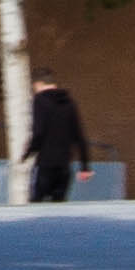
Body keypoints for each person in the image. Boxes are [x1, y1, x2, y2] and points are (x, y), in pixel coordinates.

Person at [24, 68, 92, 205]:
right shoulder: (69, 102)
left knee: (36, 208)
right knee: (59, 211)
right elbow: (79, 136)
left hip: (45, 165)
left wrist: (28, 153)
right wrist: (85, 166)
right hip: (64, 167)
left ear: (38, 84)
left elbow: (38, 132)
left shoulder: (39, 100)